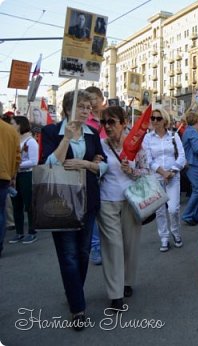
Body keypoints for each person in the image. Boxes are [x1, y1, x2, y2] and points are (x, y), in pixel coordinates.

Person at [40, 90, 107, 330]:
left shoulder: (92, 133)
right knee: (68, 255)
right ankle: (77, 307)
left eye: (89, 107)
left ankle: (73, 290)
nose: (87, 111)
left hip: (88, 199)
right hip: (61, 201)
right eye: (82, 107)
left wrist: (88, 164)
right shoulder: (50, 132)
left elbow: (103, 164)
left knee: (83, 253)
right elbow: (49, 164)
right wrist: (66, 139)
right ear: (68, 108)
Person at [97, 106, 148, 310]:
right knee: (113, 246)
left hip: (132, 200)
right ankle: (115, 293)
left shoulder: (136, 145)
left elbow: (146, 172)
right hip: (106, 201)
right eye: (104, 122)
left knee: (130, 244)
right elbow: (96, 171)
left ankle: (127, 282)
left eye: (112, 122)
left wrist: (132, 170)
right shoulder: (100, 146)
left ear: (124, 122)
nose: (107, 127)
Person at [143, 108, 186, 252]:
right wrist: (163, 172)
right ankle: (164, 238)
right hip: (156, 177)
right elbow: (148, 159)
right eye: (153, 118)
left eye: (158, 118)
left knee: (173, 209)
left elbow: (181, 156)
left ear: (165, 120)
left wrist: (172, 172)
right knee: (160, 211)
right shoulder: (148, 137)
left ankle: (176, 232)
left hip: (173, 177)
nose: (155, 121)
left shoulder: (174, 135)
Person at [8, 116, 38, 244]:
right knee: (16, 204)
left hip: (27, 175)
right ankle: (19, 232)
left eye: (13, 123)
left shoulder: (31, 141)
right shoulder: (15, 139)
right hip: (16, 176)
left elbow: (33, 161)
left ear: (20, 125)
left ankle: (32, 231)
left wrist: (16, 164)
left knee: (29, 204)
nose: (11, 125)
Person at [85, 86, 106, 265]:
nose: (91, 103)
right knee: (93, 210)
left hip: (111, 170)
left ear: (101, 98)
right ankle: (95, 247)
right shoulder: (87, 122)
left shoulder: (108, 118)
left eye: (93, 98)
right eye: (88, 99)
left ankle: (106, 245)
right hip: (93, 168)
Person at [0, 110, 21, 257]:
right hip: (4, 176)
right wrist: (12, 175)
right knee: (0, 212)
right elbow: (17, 156)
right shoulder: (10, 130)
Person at [181, 111, 198, 226]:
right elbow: (197, 149)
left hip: (194, 163)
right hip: (194, 163)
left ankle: (195, 215)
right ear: (197, 120)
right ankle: (187, 215)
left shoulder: (189, 131)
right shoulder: (192, 132)